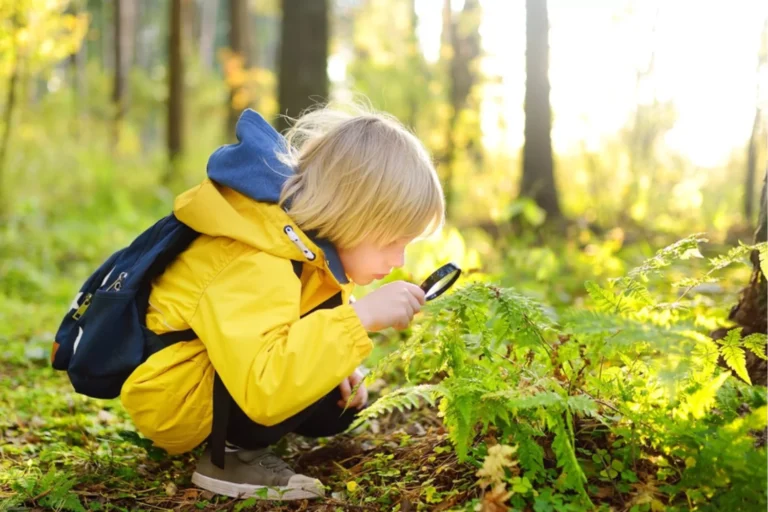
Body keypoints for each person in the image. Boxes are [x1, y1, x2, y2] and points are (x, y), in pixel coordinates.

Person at [119, 104, 445, 500]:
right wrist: (358, 319)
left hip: (229, 373)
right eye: (392, 242)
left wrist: (337, 359)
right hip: (176, 396)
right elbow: (264, 381)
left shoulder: (309, 252)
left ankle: (241, 440)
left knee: (335, 403)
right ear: (350, 215)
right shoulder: (257, 256)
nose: (399, 261)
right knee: (306, 379)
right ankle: (229, 459)